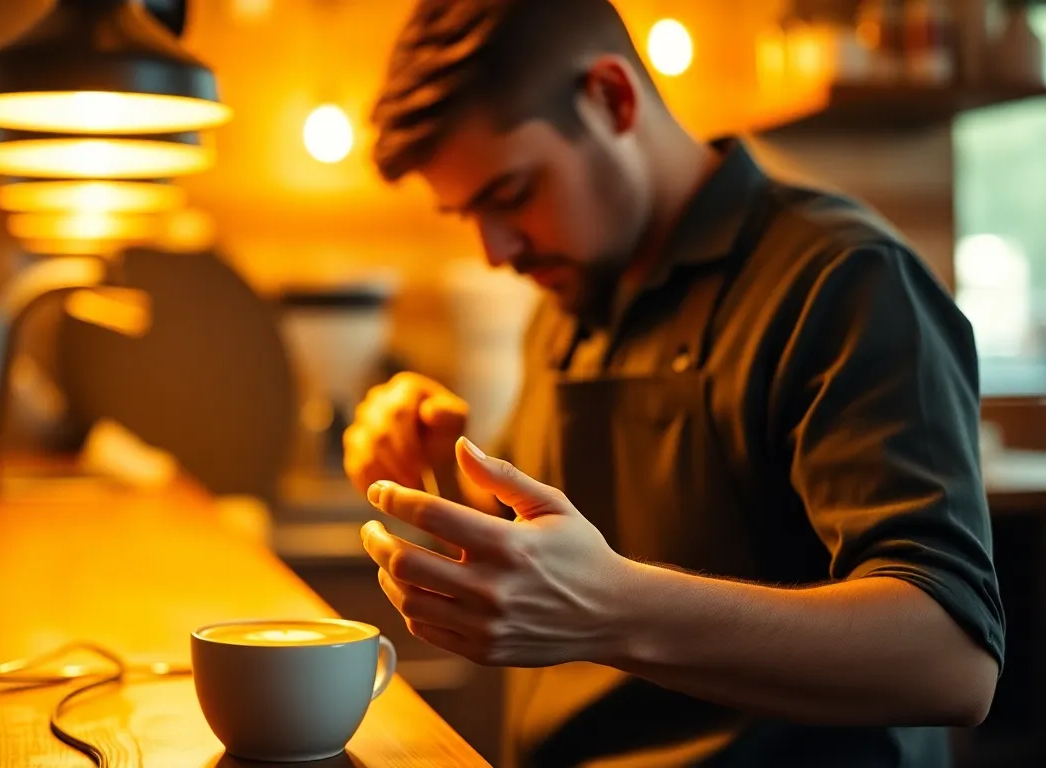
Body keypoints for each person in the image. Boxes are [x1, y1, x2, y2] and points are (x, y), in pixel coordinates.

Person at [345, 2, 1004, 767]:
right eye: (469, 214)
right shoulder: (569, 305)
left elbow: (952, 659)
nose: (496, 250)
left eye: (512, 194)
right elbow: (587, 558)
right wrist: (444, 483)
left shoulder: (843, 280)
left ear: (612, 99)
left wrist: (610, 609)